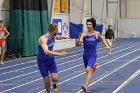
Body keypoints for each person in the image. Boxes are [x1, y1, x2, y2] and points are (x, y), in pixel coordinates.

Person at [77, 18, 111, 92]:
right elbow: (79, 43)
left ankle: (86, 86)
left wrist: (107, 46)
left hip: (93, 54)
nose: (88, 26)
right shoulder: (84, 34)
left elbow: (102, 39)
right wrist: (78, 40)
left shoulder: (96, 34)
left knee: (88, 69)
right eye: (87, 24)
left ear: (93, 26)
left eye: (90, 24)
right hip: (85, 55)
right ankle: (94, 65)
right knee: (88, 71)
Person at [37, 24, 69, 93]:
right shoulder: (43, 39)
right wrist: (59, 54)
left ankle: (55, 89)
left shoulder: (53, 36)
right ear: (54, 30)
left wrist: (65, 37)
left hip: (51, 60)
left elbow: (58, 37)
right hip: (42, 62)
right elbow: (46, 52)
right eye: (57, 30)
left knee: (55, 78)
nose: (57, 31)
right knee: (47, 81)